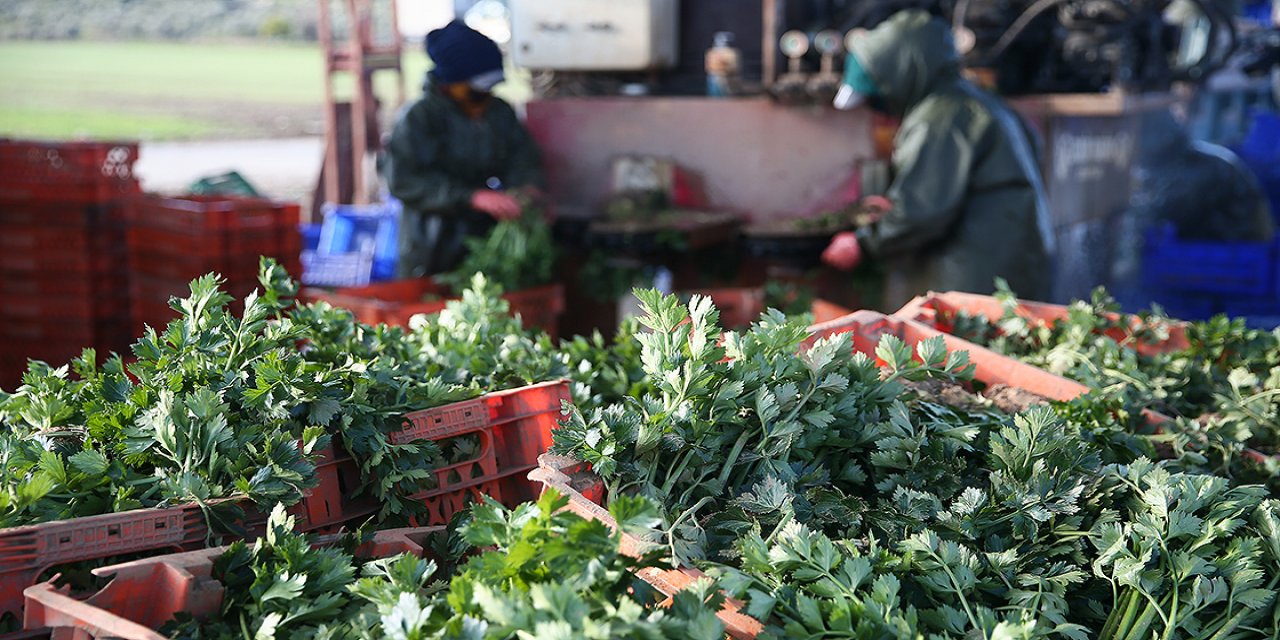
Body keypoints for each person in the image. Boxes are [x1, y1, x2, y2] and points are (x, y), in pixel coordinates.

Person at [821, 9, 1054, 308]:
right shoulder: (979, 103)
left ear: (903, 75)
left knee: (962, 354)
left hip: (975, 280)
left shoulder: (939, 118)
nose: (882, 108)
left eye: (881, 94)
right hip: (1012, 271)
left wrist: (863, 243)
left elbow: (923, 211)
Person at [381, 20, 544, 278]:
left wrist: (526, 188)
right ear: (449, 83)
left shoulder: (499, 112)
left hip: (483, 239)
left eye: (491, 89)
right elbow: (403, 181)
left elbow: (521, 158)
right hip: (431, 245)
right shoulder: (419, 118)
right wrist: (472, 197)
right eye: (477, 91)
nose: (486, 97)